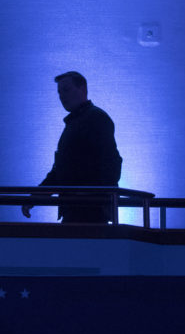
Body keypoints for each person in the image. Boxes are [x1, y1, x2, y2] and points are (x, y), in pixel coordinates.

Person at [22, 71, 122, 223]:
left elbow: (110, 163)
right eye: (59, 92)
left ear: (83, 89)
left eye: (66, 90)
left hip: (88, 210)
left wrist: (98, 198)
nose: (62, 96)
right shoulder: (82, 121)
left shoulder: (94, 119)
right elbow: (61, 170)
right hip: (81, 208)